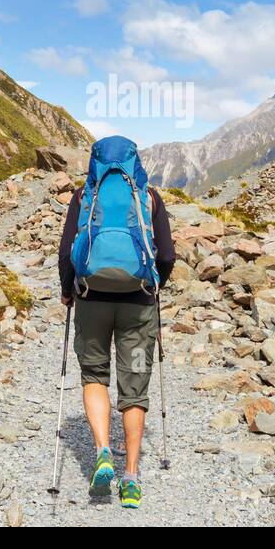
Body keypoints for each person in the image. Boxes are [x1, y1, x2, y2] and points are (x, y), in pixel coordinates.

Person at [58, 136, 175, 509]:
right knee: (134, 387)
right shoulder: (150, 197)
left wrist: (67, 291)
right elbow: (168, 255)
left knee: (94, 374)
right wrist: (153, 286)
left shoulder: (82, 197)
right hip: (138, 304)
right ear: (134, 161)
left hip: (92, 300)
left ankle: (103, 451)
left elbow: (66, 254)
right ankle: (132, 478)